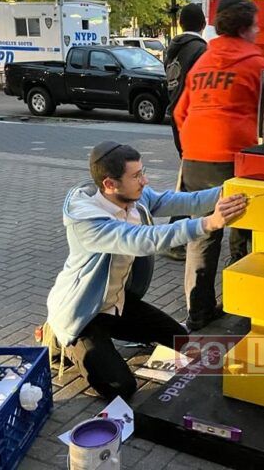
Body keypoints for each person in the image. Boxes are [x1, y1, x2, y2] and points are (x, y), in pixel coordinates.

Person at [45, 140, 247, 400]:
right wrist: (208, 223)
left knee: (182, 340)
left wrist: (233, 192)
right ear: (110, 184)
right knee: (121, 388)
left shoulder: (135, 197)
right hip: (82, 313)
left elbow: (186, 200)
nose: (145, 181)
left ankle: (104, 338)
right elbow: (143, 239)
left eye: (143, 172)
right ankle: (60, 339)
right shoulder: (87, 221)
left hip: (116, 304)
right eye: (136, 176)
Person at [173, 0, 264, 331]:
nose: (258, 31)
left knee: (203, 234)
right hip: (235, 157)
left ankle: (198, 311)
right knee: (245, 229)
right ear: (244, 28)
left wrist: (192, 146)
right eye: (255, 25)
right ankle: (242, 302)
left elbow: (180, 112)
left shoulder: (202, 62)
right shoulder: (256, 64)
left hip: (196, 157)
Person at [164, 3, 209, 261]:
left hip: (176, 117)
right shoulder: (200, 50)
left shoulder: (173, 48)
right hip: (192, 119)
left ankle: (176, 236)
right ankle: (175, 239)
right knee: (189, 180)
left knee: (188, 176)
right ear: (203, 24)